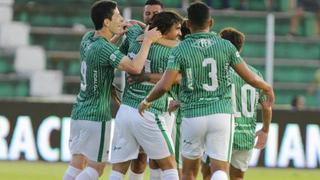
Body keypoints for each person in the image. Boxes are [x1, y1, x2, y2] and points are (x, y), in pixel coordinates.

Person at [138, 2, 274, 180]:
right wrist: (267, 88)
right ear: (210, 23)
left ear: (188, 24)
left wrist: (147, 101)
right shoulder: (226, 46)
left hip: (193, 115)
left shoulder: (180, 49)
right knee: (219, 170)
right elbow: (250, 78)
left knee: (189, 172)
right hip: (221, 115)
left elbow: (164, 85)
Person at [62, 1, 161, 180]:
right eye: (118, 16)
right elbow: (135, 67)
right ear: (107, 22)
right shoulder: (103, 48)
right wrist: (147, 41)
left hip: (79, 112)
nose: (122, 19)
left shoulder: (87, 39)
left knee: (76, 165)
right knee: (95, 169)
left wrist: (119, 35)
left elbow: (104, 53)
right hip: (96, 116)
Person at [109, 11, 183, 180]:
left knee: (118, 170)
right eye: (176, 29)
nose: (179, 33)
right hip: (148, 112)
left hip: (125, 111)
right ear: (163, 30)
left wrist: (142, 27)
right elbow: (178, 78)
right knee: (170, 167)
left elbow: (131, 26)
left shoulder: (136, 36)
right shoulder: (172, 52)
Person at [201, 27, 272, 180]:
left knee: (209, 174)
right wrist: (265, 130)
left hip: (221, 131)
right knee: (238, 177)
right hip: (245, 135)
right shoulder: (255, 74)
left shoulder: (218, 72)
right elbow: (267, 105)